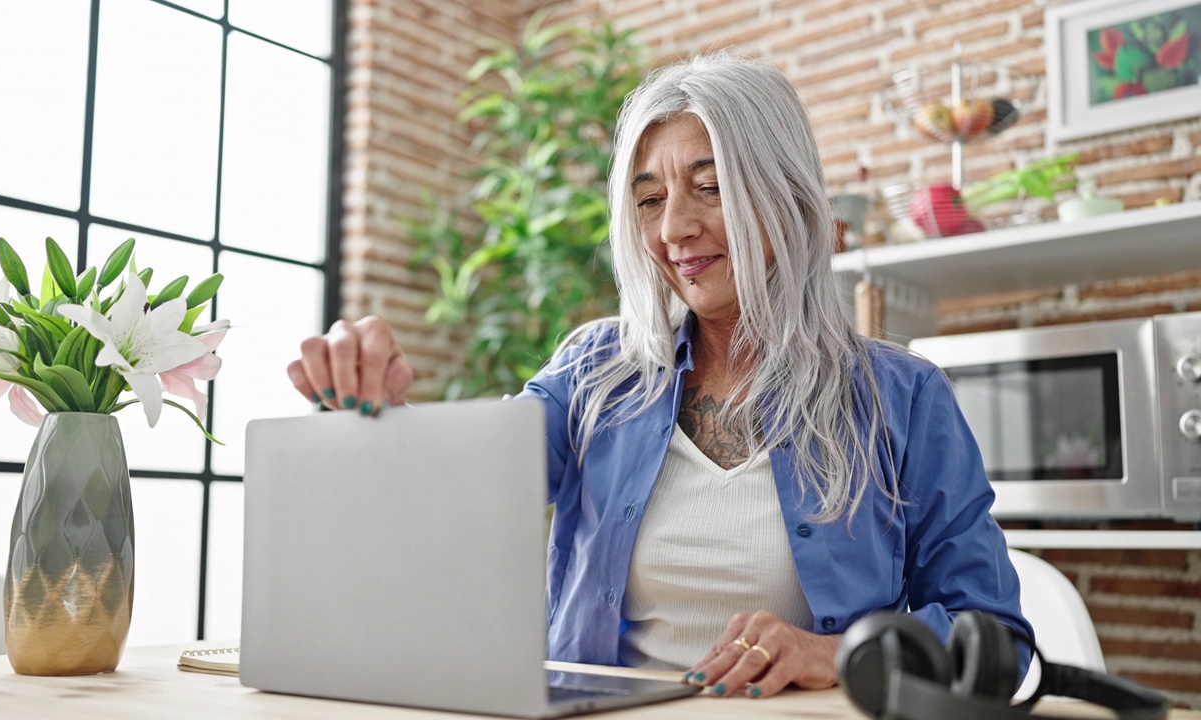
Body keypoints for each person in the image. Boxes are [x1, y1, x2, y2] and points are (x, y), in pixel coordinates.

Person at [287, 52, 1032, 700]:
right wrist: (385, 409)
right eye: (649, 200)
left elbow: (993, 631)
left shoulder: (901, 398)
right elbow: (462, 495)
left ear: (787, 197)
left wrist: (836, 654)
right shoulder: (593, 375)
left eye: (709, 188)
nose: (673, 228)